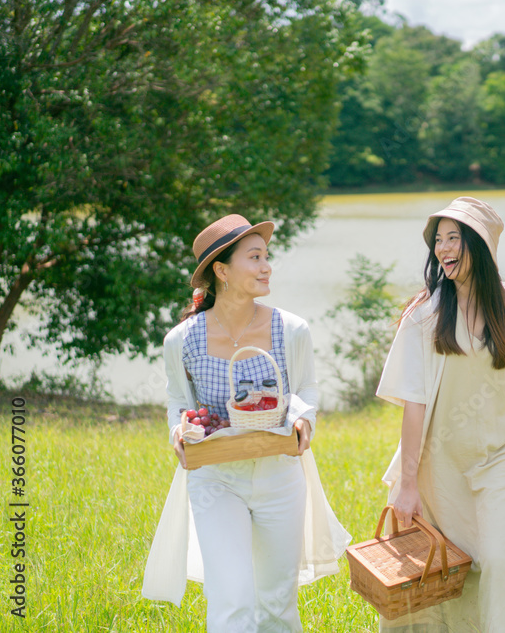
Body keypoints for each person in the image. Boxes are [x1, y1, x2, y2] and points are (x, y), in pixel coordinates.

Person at [141, 214, 350, 632]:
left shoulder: (290, 330)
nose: (266, 266)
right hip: (215, 479)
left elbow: (306, 389)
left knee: (277, 604)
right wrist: (178, 433)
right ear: (221, 271)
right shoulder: (182, 340)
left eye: (266, 257)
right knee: (230, 601)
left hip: (279, 476)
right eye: (254, 258)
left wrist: (303, 420)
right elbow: (178, 403)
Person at [376, 197, 505, 632]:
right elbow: (414, 401)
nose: (443, 248)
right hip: (438, 463)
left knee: (496, 562)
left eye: (453, 238)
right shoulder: (425, 316)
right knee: (436, 567)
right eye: (438, 240)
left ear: (479, 245)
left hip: (499, 459)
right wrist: (408, 484)